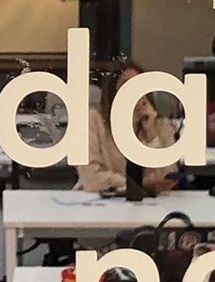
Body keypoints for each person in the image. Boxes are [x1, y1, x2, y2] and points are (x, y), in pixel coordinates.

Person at [74, 61, 179, 196]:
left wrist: (151, 135)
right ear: (113, 93)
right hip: (99, 200)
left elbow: (168, 178)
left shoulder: (161, 126)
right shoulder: (93, 121)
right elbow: (91, 178)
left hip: (151, 203)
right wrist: (136, 185)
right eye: (126, 85)